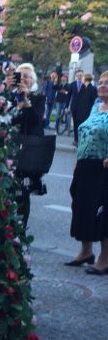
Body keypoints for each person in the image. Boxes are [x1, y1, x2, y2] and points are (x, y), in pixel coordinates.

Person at [65, 71, 108, 275]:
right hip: (84, 164)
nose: (102, 85)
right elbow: (85, 134)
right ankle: (86, 251)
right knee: (82, 207)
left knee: (102, 212)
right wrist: (78, 159)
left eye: (107, 83)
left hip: (103, 167)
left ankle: (105, 258)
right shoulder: (95, 106)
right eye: (101, 82)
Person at [5, 62, 46, 227]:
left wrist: (27, 101)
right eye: (20, 76)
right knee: (5, 189)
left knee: (22, 191)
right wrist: (7, 91)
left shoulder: (38, 97)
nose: (23, 79)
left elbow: (37, 120)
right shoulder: (8, 96)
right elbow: (4, 119)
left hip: (27, 150)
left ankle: (19, 230)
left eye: (27, 77)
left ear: (33, 80)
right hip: (8, 147)